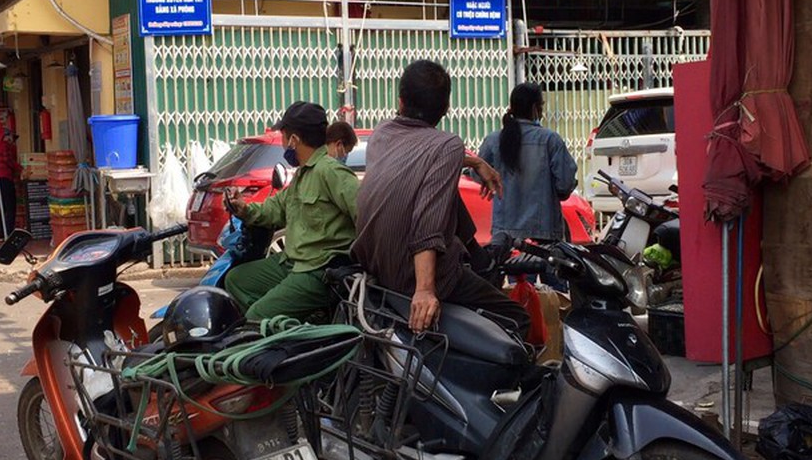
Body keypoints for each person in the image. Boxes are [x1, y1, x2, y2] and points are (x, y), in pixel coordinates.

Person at [352, 59, 530, 338]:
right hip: (412, 275)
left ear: (400, 101)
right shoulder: (447, 145)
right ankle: (481, 262)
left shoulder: (381, 134)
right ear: (446, 108)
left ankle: (480, 259)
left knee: (447, 194)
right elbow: (427, 223)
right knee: (518, 318)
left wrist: (475, 162)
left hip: (373, 264)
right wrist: (424, 290)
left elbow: (419, 156)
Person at [223, 101, 359, 321]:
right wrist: (244, 208)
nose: (283, 143)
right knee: (236, 280)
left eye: (284, 137)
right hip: (291, 262)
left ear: (294, 139)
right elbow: (275, 209)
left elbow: (365, 216)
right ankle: (285, 326)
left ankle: (273, 329)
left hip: (317, 271)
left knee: (257, 315)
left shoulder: (331, 172)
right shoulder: (302, 175)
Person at [477, 83, 578, 290]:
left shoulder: (493, 140)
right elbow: (565, 183)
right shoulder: (550, 140)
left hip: (506, 236)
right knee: (556, 295)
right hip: (545, 234)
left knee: (519, 292)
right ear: (535, 108)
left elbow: (478, 175)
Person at [0, 129, 21, 241]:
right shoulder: (4, 146)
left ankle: (1, 234)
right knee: (10, 207)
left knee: (1, 207)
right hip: (5, 179)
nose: (12, 141)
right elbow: (8, 161)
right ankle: (8, 233)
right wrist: (20, 168)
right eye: (12, 138)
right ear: (7, 137)